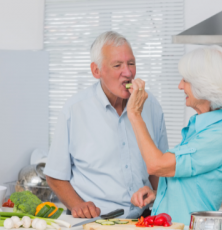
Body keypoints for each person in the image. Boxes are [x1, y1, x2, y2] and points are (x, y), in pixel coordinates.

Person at [43, 31, 168, 219]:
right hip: (95, 221)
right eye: (117, 65)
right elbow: (55, 174)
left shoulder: (151, 105)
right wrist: (78, 205)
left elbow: (160, 169)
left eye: (131, 63)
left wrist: (162, 200)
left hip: (144, 219)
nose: (128, 73)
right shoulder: (74, 110)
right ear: (96, 71)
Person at [127, 45, 222, 225]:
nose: (180, 86)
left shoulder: (221, 136)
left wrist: (134, 114)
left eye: (186, 80)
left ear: (206, 85)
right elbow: (195, 186)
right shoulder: (201, 127)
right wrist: (159, 194)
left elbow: (156, 165)